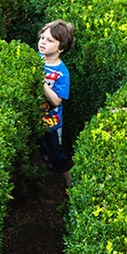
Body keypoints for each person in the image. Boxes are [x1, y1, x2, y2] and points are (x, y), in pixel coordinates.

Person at [37, 20, 75, 189]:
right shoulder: (36, 59)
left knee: (56, 152)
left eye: (50, 40)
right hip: (36, 117)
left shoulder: (61, 73)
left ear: (61, 48)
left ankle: (69, 182)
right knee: (41, 148)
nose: (43, 42)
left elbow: (57, 100)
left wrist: (42, 82)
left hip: (51, 122)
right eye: (42, 37)